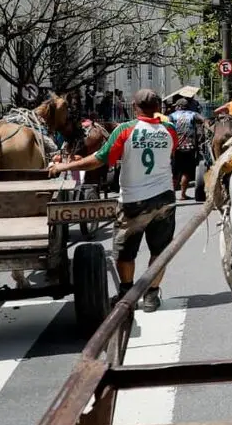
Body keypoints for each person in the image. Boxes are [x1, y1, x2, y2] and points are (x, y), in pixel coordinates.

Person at [49, 89, 177, 313]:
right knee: (160, 251)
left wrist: (63, 166)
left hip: (133, 201)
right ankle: (151, 296)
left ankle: (127, 292)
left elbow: (98, 160)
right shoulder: (169, 130)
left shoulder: (125, 130)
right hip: (164, 198)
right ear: (158, 108)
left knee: (125, 252)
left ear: (134, 107)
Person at [170, 98, 204, 200]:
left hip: (175, 148)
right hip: (189, 148)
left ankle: (171, 195)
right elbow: (203, 120)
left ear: (179, 106)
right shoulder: (193, 114)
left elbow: (167, 126)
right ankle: (183, 194)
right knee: (186, 172)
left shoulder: (172, 116)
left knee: (175, 173)